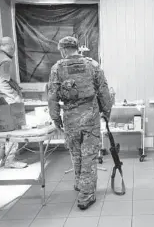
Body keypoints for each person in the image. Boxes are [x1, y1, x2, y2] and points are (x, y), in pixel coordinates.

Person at [48, 36, 112, 210]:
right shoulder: (92, 65)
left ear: (62, 49)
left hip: (70, 118)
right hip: (90, 117)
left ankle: (80, 184)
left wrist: (56, 118)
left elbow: (52, 96)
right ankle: (86, 194)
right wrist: (107, 111)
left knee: (76, 155)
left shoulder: (57, 68)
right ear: (77, 48)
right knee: (89, 156)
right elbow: (104, 91)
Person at [0, 37, 27, 169]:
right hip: (7, 99)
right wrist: (15, 96)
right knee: (13, 130)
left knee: (3, 128)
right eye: (13, 48)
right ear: (9, 47)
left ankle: (0, 153)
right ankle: (10, 161)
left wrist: (13, 83)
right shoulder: (5, 59)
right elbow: (1, 82)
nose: (14, 51)